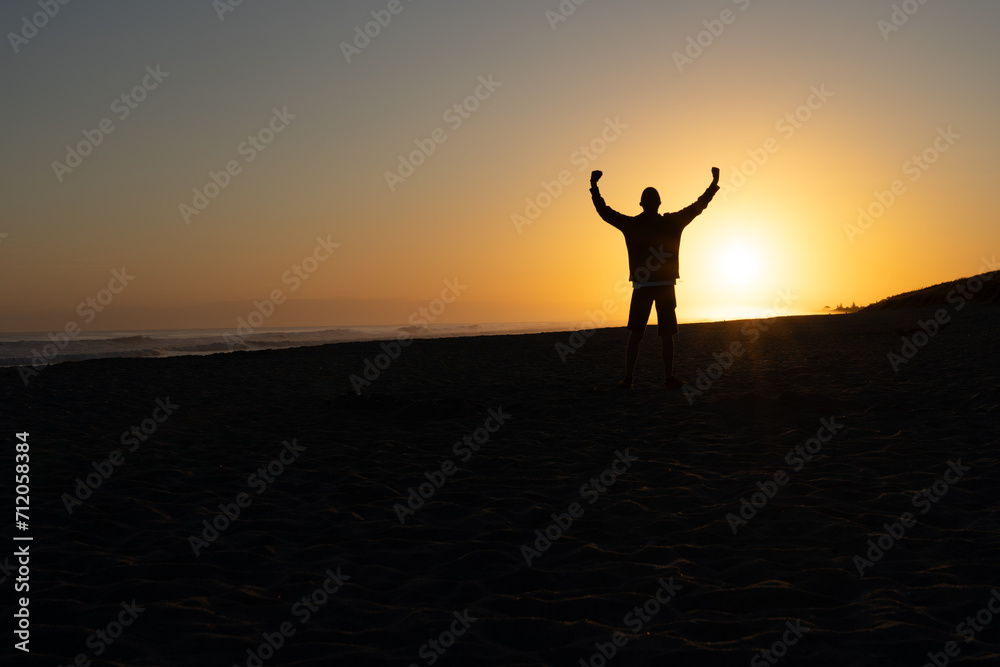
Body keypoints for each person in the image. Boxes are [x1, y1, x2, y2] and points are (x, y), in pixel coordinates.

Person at [590, 167, 720, 389]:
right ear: (659, 203)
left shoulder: (633, 225)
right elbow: (698, 206)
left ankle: (629, 378)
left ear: (641, 204)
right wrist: (714, 183)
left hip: (643, 286)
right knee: (665, 334)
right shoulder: (671, 222)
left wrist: (594, 187)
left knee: (637, 333)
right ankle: (668, 377)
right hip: (664, 285)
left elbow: (605, 212)